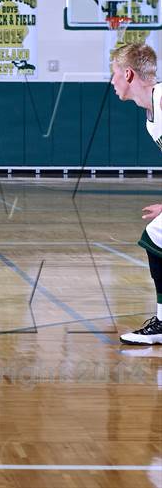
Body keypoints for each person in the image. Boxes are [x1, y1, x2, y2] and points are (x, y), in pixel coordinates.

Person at [111, 43, 162, 345]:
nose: (112, 81)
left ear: (128, 74)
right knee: (156, 234)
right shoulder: (150, 116)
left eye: (114, 73)